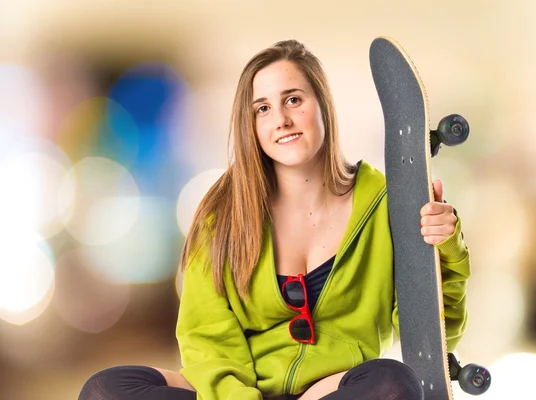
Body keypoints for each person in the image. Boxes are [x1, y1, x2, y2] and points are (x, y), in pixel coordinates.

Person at [79, 39, 470, 400]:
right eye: (262, 108)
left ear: (323, 105)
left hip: (331, 391)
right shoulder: (222, 214)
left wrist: (444, 248)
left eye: (293, 100)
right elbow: (207, 339)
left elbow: (435, 338)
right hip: (241, 390)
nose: (280, 119)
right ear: (251, 126)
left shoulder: (385, 204)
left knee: (392, 382)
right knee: (105, 389)